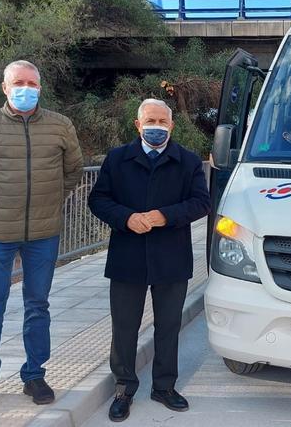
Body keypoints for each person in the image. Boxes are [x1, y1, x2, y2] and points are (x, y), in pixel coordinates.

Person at [0, 60, 83, 414]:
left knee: (37, 306)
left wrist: (50, 202)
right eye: (19, 82)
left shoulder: (60, 126)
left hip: (43, 233)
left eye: (32, 83)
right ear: (5, 87)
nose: (26, 88)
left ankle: (34, 375)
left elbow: (72, 172)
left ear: (40, 86)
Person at [88, 98, 210, 422]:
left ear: (171, 125)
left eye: (162, 121)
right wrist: (126, 218)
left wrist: (163, 216)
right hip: (128, 256)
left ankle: (164, 386)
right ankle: (124, 388)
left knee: (169, 325)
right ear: (138, 124)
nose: (156, 126)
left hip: (171, 256)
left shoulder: (187, 161)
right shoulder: (117, 159)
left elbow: (201, 202)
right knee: (124, 327)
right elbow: (98, 199)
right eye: (150, 120)